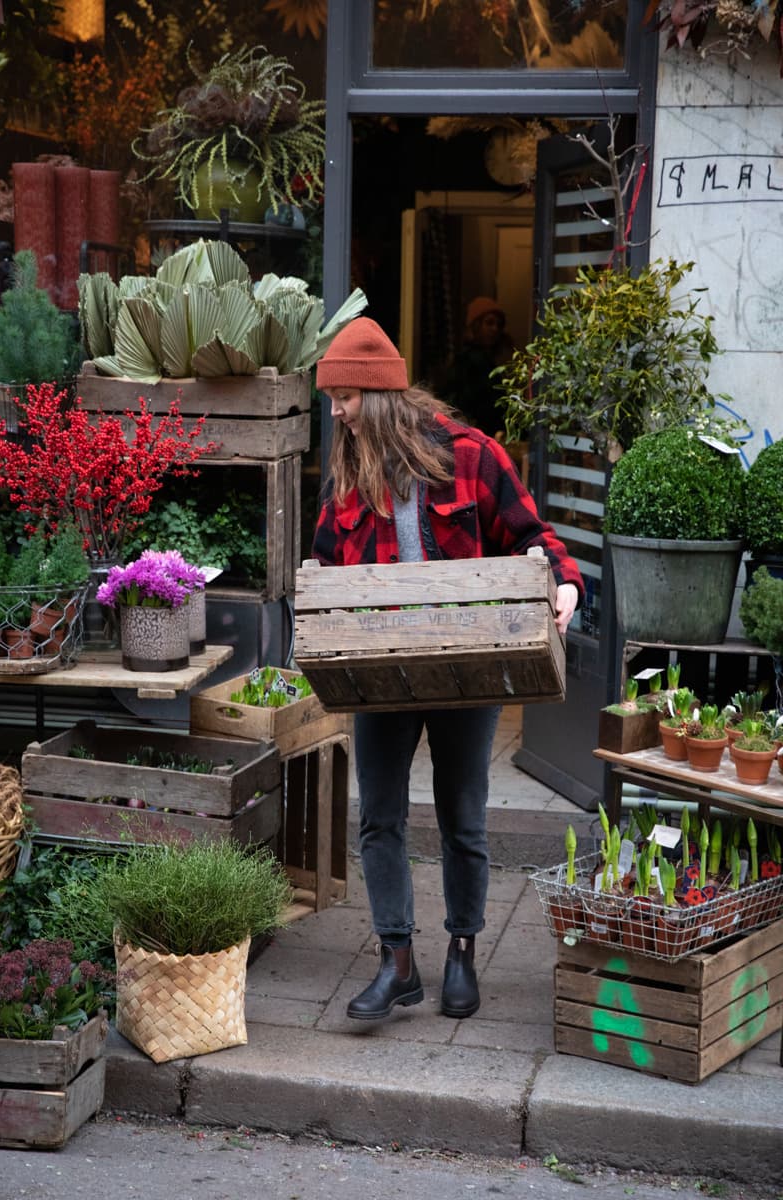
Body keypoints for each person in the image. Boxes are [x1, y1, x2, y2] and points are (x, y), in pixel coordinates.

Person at [312, 316, 583, 1023]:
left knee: (464, 817)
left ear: (375, 395)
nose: (335, 411)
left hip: (468, 667)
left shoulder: (471, 456)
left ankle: (462, 950)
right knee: (379, 818)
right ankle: (397, 961)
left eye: (342, 397)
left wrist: (565, 585)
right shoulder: (345, 478)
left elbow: (533, 536)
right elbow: (324, 568)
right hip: (382, 672)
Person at [442, 296, 515, 437]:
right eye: (489, 323)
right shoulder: (469, 361)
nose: (495, 329)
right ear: (476, 325)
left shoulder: (491, 360)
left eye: (499, 325)